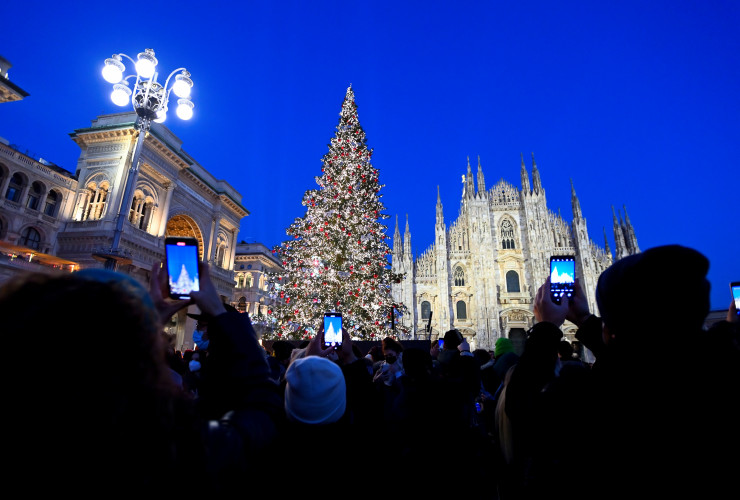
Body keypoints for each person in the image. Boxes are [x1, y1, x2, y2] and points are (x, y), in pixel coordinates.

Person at [0, 261, 283, 495]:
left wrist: (145, 323)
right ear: (142, 359)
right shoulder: (166, 450)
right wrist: (220, 314)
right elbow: (262, 408)